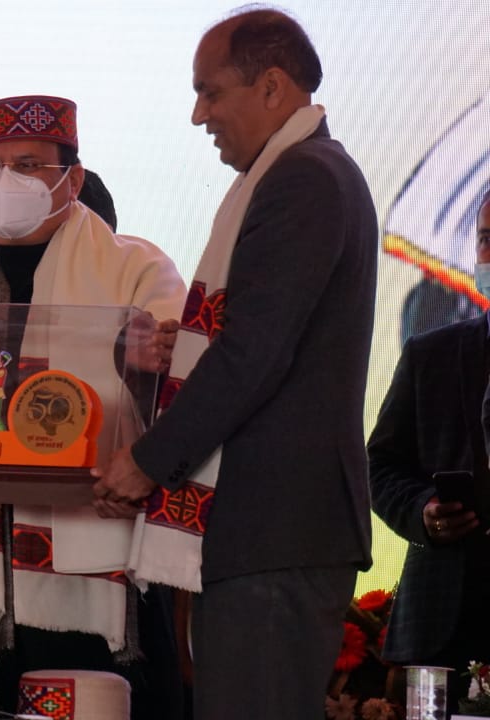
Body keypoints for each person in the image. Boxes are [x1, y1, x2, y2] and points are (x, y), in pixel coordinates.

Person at [92, 9, 377, 720]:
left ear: (274, 88)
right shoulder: (301, 172)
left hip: (276, 528)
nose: (199, 115)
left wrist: (149, 460)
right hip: (269, 530)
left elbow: (255, 352)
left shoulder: (303, 177)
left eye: (211, 92)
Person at [0, 94, 186, 717]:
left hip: (99, 564)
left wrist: (143, 363)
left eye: (27, 165)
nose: (5, 182)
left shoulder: (136, 267)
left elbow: (186, 398)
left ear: (70, 179)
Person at [368, 191, 490, 713]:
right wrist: (422, 512)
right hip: (445, 624)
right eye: (486, 240)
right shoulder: (432, 354)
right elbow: (379, 465)